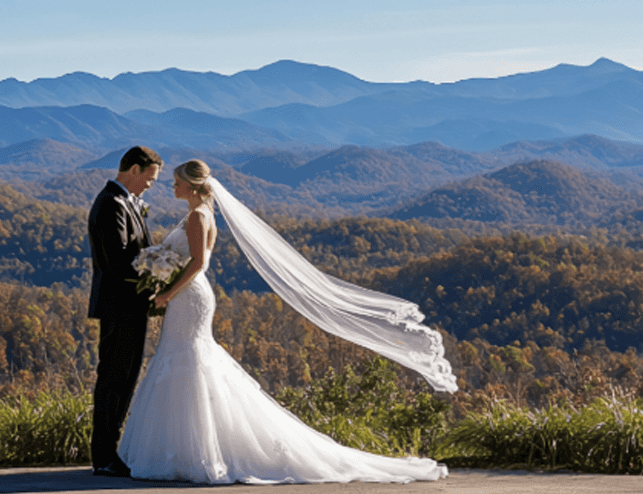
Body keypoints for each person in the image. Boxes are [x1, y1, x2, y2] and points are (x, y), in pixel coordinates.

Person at [118, 159, 454, 484]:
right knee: (187, 362)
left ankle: (190, 453)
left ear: (191, 186)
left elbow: (198, 265)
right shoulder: (202, 213)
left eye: (177, 181)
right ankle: (185, 450)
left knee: (188, 362)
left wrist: (166, 293)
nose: (172, 186)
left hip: (188, 296)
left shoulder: (195, 216)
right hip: (189, 297)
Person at [87, 145, 163, 477]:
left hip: (130, 305)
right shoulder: (110, 205)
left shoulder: (125, 203)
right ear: (134, 169)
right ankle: (104, 456)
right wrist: (156, 278)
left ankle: (113, 452)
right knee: (114, 379)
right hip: (119, 305)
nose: (150, 185)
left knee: (125, 379)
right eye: (150, 177)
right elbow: (116, 262)